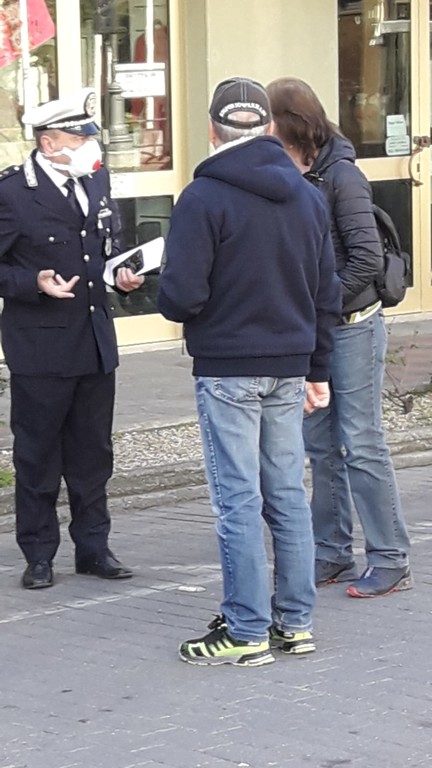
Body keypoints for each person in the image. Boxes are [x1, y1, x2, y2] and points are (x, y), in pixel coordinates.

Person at [157, 76, 341, 666]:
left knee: (236, 500)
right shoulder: (307, 196)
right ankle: (296, 623)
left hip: (228, 366)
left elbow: (182, 296)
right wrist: (318, 368)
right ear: (267, 128)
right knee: (286, 495)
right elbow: (326, 294)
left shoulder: (202, 197)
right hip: (289, 366)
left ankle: (245, 629)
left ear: (213, 130)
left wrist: (158, 288)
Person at [267, 77, 412, 598]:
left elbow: (366, 258)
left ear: (290, 123)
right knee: (320, 445)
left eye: (269, 119)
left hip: (351, 328)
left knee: (360, 442)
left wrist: (323, 306)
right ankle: (331, 552)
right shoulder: (288, 171)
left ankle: (391, 558)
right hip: (314, 330)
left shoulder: (342, 175)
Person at [0, 88, 143, 589]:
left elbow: (103, 247)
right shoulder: (13, 192)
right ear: (49, 142)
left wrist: (121, 275)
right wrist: (31, 282)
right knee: (38, 455)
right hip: (40, 347)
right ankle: (39, 554)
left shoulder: (95, 179)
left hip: (94, 341)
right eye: (78, 138)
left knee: (93, 456)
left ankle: (94, 548)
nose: (88, 145)